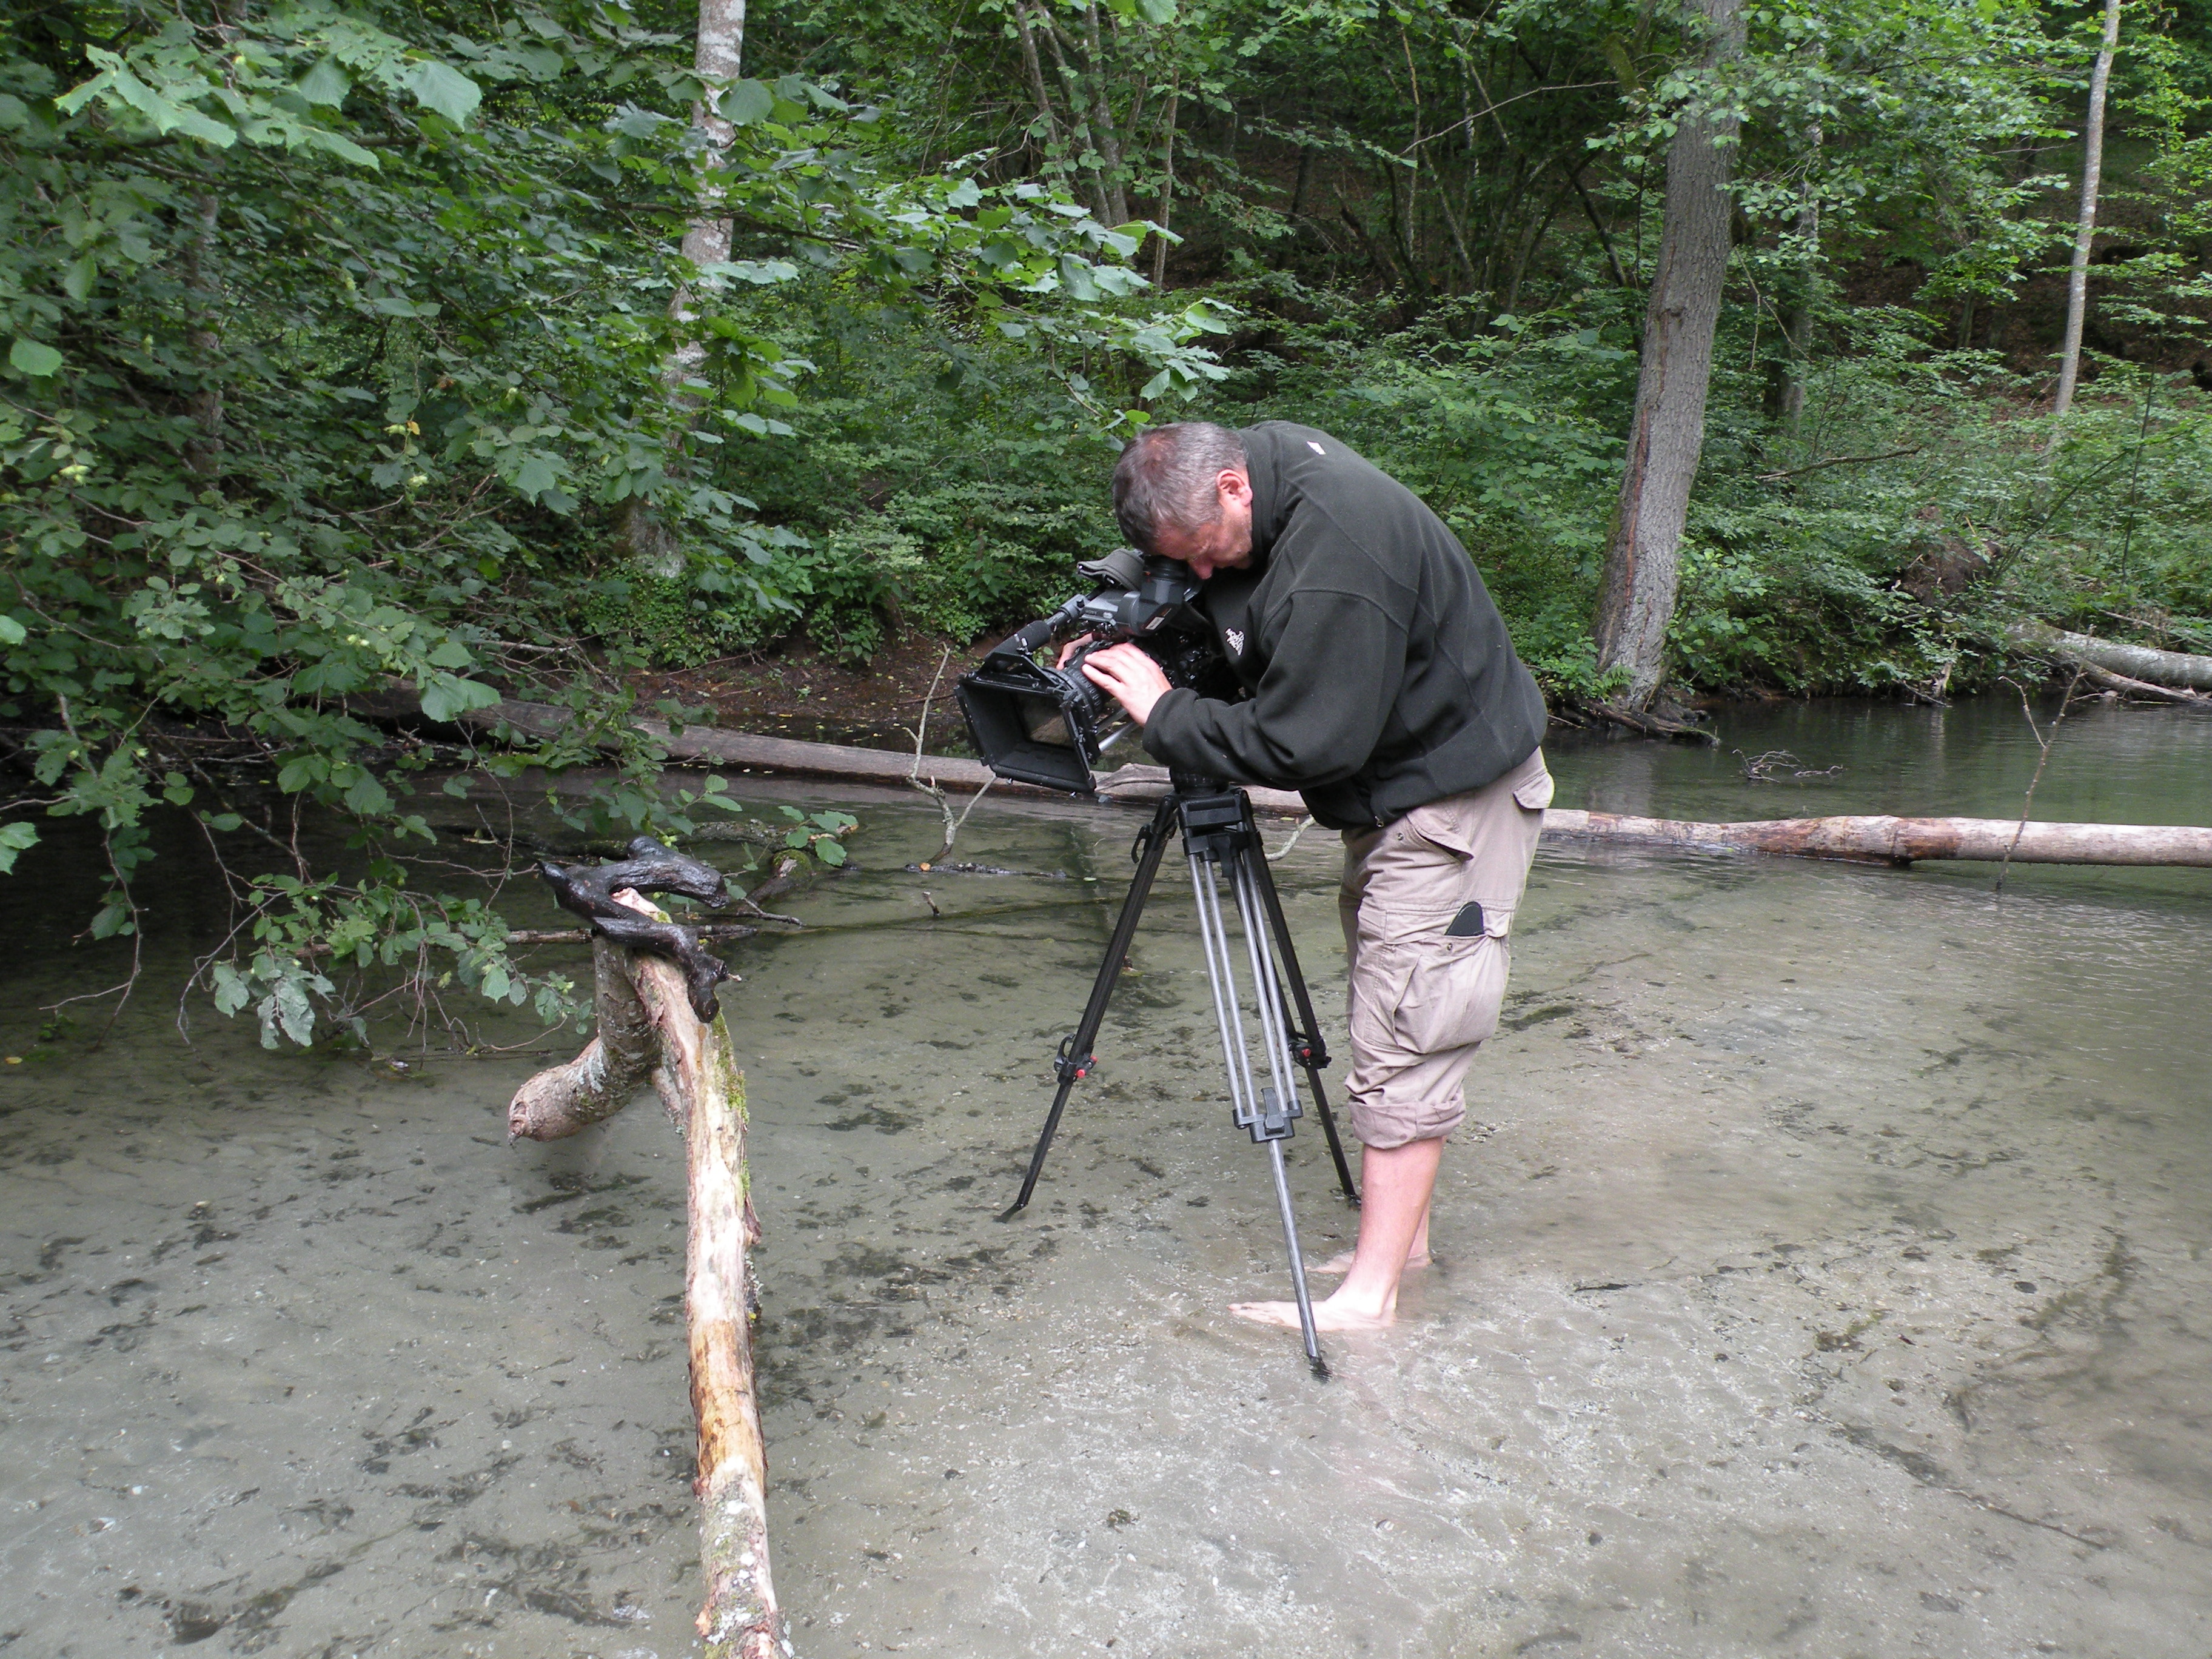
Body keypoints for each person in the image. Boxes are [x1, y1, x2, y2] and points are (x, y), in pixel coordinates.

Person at [1074, 420, 1552, 1332]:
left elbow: (1306, 745)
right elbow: (1222, 596)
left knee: (1407, 1033)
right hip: (1409, 796)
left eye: (1206, 556)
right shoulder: (1264, 466)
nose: (1206, 578)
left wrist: (1164, 714)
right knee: (1399, 1013)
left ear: (1232, 490)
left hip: (1454, 805)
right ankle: (1403, 1250)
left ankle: (1366, 1303)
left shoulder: (1341, 554)